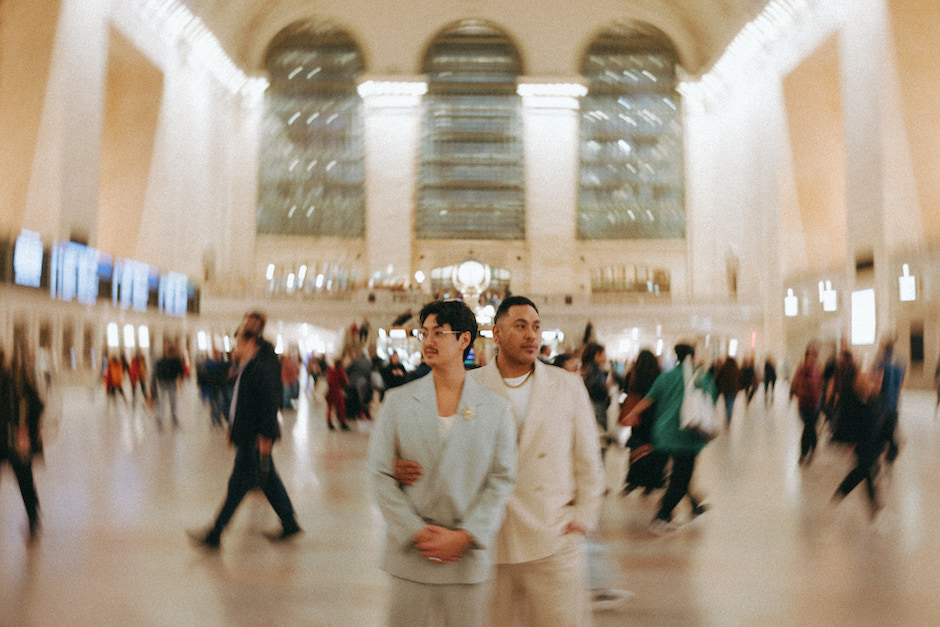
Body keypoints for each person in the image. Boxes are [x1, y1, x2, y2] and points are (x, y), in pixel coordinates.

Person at [398, 295, 605, 625]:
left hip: (552, 538)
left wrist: (582, 518)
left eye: (536, 327)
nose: (531, 335)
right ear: (496, 333)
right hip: (488, 542)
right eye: (520, 326)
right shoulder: (470, 386)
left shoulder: (566, 386)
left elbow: (588, 461)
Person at [368, 299, 517, 627]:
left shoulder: (494, 408)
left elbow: (502, 480)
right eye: (424, 333)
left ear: (464, 340)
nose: (428, 341)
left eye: (439, 332)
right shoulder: (398, 402)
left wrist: (464, 536)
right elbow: (378, 473)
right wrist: (415, 532)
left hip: (466, 559)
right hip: (410, 557)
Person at [189, 311, 302, 548]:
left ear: (251, 341)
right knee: (267, 479)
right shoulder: (249, 365)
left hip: (255, 437)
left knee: (238, 485)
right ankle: (289, 523)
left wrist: (266, 435)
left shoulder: (263, 365)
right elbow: (242, 400)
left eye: (238, 340)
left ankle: (216, 531)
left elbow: (270, 401)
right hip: (249, 434)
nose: (234, 346)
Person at [623, 343, 717, 535]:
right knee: (681, 479)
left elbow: (649, 398)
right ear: (693, 355)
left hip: (664, 434)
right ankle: (662, 516)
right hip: (686, 436)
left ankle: (688, 509)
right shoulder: (700, 376)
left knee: (679, 475)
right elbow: (710, 402)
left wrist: (631, 413)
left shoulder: (665, 377)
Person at [0, 348, 44, 541]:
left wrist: (26, 430)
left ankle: (33, 517)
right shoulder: (14, 380)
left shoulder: (16, 381)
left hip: (16, 441)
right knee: (25, 480)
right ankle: (33, 517)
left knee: (25, 480)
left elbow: (37, 405)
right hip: (8, 442)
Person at [620, 349, 666, 494]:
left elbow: (625, 391)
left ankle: (633, 480)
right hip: (654, 416)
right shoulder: (658, 376)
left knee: (637, 447)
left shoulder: (632, 375)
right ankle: (650, 484)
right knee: (651, 449)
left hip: (637, 416)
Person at [790, 344, 822, 464]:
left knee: (808, 427)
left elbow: (820, 385)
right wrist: (792, 392)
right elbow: (795, 382)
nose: (812, 359)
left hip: (815, 403)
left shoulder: (817, 369)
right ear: (806, 357)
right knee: (809, 427)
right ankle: (811, 448)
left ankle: (805, 452)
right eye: (810, 356)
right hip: (803, 403)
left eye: (814, 357)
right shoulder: (801, 369)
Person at [154, 342, 184, 429]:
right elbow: (157, 372)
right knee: (162, 401)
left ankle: (173, 417)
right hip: (163, 383)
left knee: (172, 400)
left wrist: (180, 380)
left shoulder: (176, 360)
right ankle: (160, 418)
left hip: (171, 382)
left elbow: (180, 371)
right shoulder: (162, 360)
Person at [324, 358, 350, 431]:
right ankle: (342, 422)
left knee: (329, 408)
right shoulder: (340, 371)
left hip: (329, 391)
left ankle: (329, 422)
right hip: (336, 391)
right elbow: (345, 382)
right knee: (341, 407)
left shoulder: (330, 370)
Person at [715, 357, 740, 424]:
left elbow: (718, 378)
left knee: (726, 404)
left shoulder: (724, 369)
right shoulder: (736, 369)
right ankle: (729, 417)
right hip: (733, 390)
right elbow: (739, 379)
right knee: (731, 404)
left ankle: (727, 416)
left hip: (726, 390)